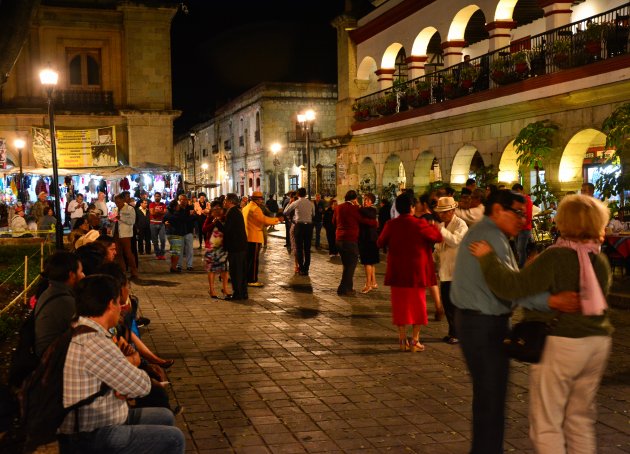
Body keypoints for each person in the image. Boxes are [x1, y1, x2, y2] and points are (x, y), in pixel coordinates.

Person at [468, 194, 612, 454]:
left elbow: (510, 287)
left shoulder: (555, 257)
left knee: (547, 422)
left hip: (561, 344)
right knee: (580, 420)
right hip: (597, 343)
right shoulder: (598, 259)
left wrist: (487, 258)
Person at [450, 189, 581, 454]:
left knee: (487, 396)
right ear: (498, 210)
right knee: (491, 399)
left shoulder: (486, 234)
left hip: (473, 321)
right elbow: (510, 287)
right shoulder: (492, 237)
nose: (523, 219)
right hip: (485, 325)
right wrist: (552, 302)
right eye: (518, 213)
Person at [57, 275, 185, 454]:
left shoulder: (80, 327)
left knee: (164, 416)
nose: (121, 308)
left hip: (99, 419)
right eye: (119, 302)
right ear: (110, 304)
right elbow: (141, 385)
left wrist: (124, 383)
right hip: (92, 434)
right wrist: (132, 365)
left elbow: (124, 381)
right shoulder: (93, 342)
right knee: (174, 438)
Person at [377, 193, 442, 351]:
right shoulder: (420, 224)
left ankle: (401, 339)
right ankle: (415, 340)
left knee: (400, 306)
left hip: (398, 272)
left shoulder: (391, 224)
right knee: (418, 306)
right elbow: (437, 237)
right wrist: (433, 226)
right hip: (416, 272)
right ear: (412, 207)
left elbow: (380, 242)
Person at [34, 251, 85, 357]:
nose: (84, 275)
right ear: (72, 275)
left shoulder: (51, 291)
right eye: (81, 271)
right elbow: (86, 334)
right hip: (53, 363)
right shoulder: (65, 302)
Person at [433, 197, 468, 344]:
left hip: (458, 270)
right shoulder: (442, 225)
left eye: (446, 212)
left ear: (453, 210)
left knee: (456, 304)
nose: (443, 215)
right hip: (445, 270)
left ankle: (458, 333)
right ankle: (453, 331)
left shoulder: (461, 224)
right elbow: (438, 248)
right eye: (441, 212)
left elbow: (455, 241)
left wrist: (440, 230)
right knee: (448, 304)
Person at [333, 190, 378, 296]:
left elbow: (333, 221)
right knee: (351, 266)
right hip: (350, 240)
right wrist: (374, 222)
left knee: (346, 265)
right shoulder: (354, 208)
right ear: (354, 200)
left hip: (339, 239)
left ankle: (349, 287)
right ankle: (343, 288)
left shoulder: (338, 207)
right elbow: (362, 220)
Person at [242, 191, 279, 286]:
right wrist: (277, 219)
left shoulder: (246, 207)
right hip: (255, 237)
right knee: (254, 260)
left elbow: (256, 221)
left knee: (248, 260)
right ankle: (252, 280)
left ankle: (247, 278)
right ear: (257, 199)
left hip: (247, 236)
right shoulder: (255, 209)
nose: (262, 200)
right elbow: (264, 219)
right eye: (260, 199)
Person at [223, 193, 248, 300]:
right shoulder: (236, 212)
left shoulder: (232, 213)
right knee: (241, 270)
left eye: (225, 200)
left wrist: (218, 223)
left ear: (231, 202)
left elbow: (228, 230)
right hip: (240, 246)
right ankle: (243, 293)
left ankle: (238, 293)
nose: (224, 202)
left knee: (236, 271)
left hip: (235, 247)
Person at [283, 188, 314, 276]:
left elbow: (285, 212)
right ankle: (306, 268)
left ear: (298, 194)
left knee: (299, 248)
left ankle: (301, 268)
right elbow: (313, 214)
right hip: (308, 226)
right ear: (305, 194)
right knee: (307, 249)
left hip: (299, 226)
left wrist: (289, 203)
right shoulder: (311, 203)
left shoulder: (296, 203)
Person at [202, 203, 230, 299]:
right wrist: (213, 222)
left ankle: (225, 288)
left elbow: (227, 230)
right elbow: (204, 229)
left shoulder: (225, 219)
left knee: (224, 269)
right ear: (212, 211)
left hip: (223, 247)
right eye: (215, 210)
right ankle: (212, 289)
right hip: (211, 247)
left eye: (219, 209)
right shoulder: (209, 219)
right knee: (211, 269)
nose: (217, 211)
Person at [112, 194, 139, 280]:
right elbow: (114, 220)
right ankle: (122, 272)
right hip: (116, 233)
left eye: (118, 202)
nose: (117, 204)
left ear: (123, 201)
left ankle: (134, 271)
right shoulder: (115, 209)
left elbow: (132, 221)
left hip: (125, 234)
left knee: (128, 253)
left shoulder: (130, 209)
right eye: (115, 202)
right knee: (118, 254)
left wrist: (121, 218)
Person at [358, 193, 379, 293]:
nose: (365, 201)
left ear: (372, 202)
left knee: (367, 263)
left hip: (368, 240)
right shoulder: (367, 211)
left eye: (367, 200)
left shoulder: (372, 210)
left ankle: (368, 284)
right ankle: (373, 282)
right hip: (370, 239)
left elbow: (363, 212)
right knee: (371, 263)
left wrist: (358, 206)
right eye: (365, 199)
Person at [512, 183, 534, 268]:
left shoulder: (527, 200)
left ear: (521, 190)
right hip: (517, 227)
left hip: (525, 228)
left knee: (521, 248)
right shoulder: (518, 200)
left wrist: (521, 223)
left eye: (517, 192)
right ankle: (520, 265)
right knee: (518, 248)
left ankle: (522, 266)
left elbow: (528, 216)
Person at [149, 192, 167, 260]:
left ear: (160, 197)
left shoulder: (163, 204)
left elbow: (165, 212)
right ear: (154, 197)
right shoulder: (151, 204)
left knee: (163, 240)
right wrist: (160, 212)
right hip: (153, 224)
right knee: (155, 240)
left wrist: (157, 212)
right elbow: (152, 213)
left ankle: (162, 253)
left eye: (158, 196)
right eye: (156, 196)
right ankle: (157, 254)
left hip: (161, 224)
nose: (157, 197)